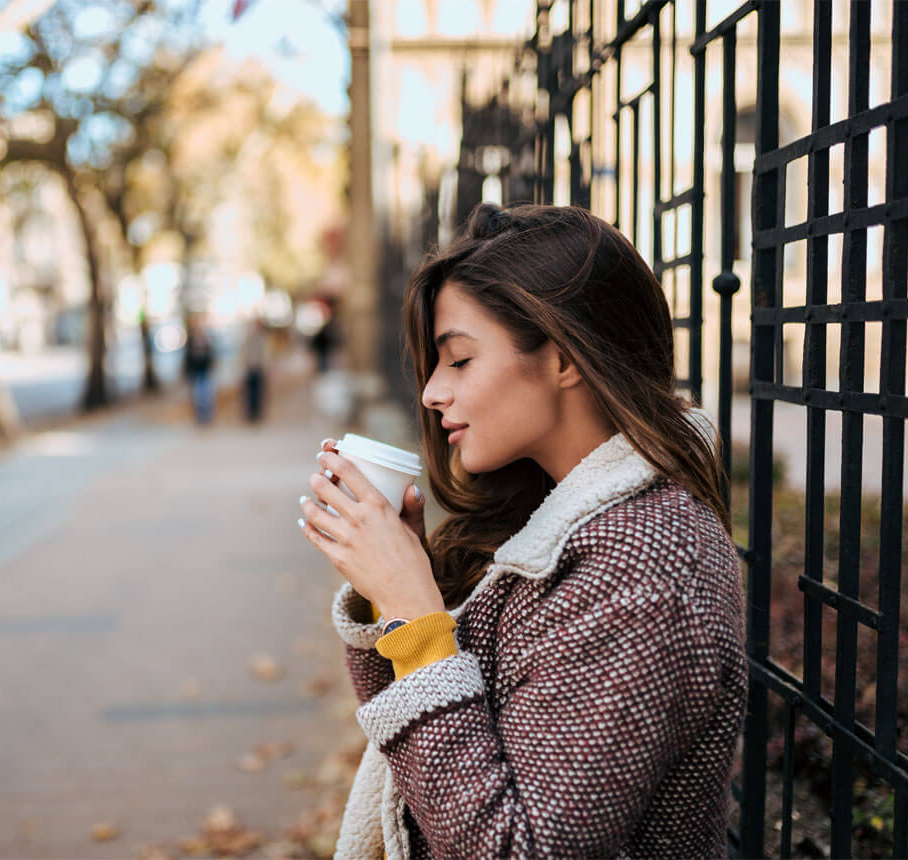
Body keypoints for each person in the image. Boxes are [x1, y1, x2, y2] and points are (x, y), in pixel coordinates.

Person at [298, 203, 747, 859]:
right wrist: (389, 590)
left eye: (458, 361)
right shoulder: (556, 515)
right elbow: (413, 762)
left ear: (563, 359)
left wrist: (414, 616)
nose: (429, 392)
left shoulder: (645, 569)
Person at [183, 325, 215, 424]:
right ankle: (199, 416)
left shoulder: (207, 345)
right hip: (196, 374)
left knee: (206, 396)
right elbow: (187, 361)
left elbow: (211, 359)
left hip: (205, 373)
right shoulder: (190, 346)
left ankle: (207, 416)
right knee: (197, 397)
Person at [241, 317, 270, 423]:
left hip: (259, 368)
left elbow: (266, 355)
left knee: (258, 394)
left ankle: (257, 415)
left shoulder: (263, 338)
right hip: (250, 368)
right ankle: (250, 415)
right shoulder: (249, 338)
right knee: (249, 394)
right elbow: (244, 353)